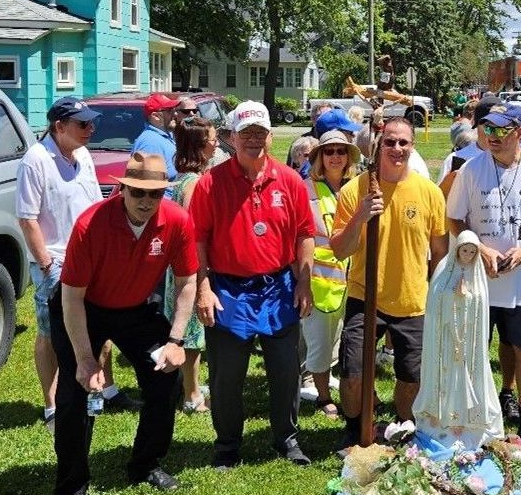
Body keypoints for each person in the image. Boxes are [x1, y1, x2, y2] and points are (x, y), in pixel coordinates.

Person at [50, 152, 198, 495]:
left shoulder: (177, 221)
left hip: (135, 309)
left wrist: (176, 341)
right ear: (122, 189)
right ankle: (72, 486)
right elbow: (71, 298)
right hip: (84, 308)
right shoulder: (91, 224)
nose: (146, 202)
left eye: (155, 194)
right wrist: (85, 360)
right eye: (138, 193)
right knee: (75, 393)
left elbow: (186, 283)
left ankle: (145, 464)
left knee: (165, 378)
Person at [188, 101, 315, 469]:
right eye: (246, 134)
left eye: (260, 133)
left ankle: (287, 439)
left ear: (271, 137)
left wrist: (304, 283)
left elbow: (305, 234)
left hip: (278, 287)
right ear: (231, 138)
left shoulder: (289, 180)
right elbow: (197, 240)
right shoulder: (210, 184)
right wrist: (203, 287)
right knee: (227, 375)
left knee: (286, 371)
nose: (254, 140)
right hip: (228, 289)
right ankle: (227, 444)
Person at [447, 105, 521, 449]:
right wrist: (482, 251)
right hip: (478, 278)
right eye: (488, 130)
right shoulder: (471, 170)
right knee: (472, 350)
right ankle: (472, 415)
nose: (493, 137)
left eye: (502, 131)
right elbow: (454, 219)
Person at [16, 97, 133, 431]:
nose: (91, 129)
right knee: (51, 333)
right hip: (55, 261)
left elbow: (94, 205)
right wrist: (47, 265)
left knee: (101, 325)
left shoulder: (82, 155)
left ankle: (105, 390)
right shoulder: (35, 161)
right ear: (59, 127)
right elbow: (27, 219)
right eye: (83, 124)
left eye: (91, 123)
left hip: (92, 257)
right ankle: (52, 403)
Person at [331, 117, 449, 447]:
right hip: (364, 296)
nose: (397, 149)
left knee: (411, 378)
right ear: (378, 145)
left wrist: (431, 289)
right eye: (390, 142)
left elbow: (440, 250)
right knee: (354, 375)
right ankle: (355, 429)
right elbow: (340, 249)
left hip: (412, 301)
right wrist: (361, 216)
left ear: (412, 146)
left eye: (403, 143)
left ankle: (404, 427)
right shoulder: (356, 189)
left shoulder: (429, 193)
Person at [414, 230, 504, 449]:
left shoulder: (477, 275)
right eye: (465, 250)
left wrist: (468, 297)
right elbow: (435, 299)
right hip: (446, 340)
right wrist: (452, 295)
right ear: (457, 250)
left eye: (472, 252)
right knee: (445, 375)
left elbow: (480, 304)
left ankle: (468, 426)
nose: (468, 255)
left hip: (468, 343)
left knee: (467, 376)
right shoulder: (444, 271)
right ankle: (439, 422)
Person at [301, 130, 360, 419]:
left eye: (341, 151)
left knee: (345, 341)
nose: (335, 157)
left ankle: (347, 387)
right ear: (319, 158)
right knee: (320, 345)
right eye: (329, 151)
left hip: (355, 281)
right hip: (318, 282)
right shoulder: (306, 190)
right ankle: (323, 396)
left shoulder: (358, 187)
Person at [166, 116, 220, 413]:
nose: (215, 143)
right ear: (200, 146)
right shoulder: (195, 184)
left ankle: (186, 386)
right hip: (188, 268)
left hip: (179, 266)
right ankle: (191, 394)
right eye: (212, 139)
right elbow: (192, 232)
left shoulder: (183, 178)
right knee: (192, 332)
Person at [131, 92, 181, 182]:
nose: (176, 114)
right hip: (163, 196)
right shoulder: (150, 142)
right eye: (170, 110)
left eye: (175, 109)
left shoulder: (166, 135)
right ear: (155, 116)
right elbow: (149, 185)